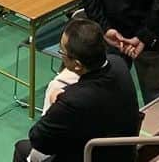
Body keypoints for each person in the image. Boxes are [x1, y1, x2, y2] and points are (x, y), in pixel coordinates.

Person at [12, 17, 141, 162]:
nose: (61, 56)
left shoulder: (72, 101)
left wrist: (56, 103)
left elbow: (38, 139)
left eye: (62, 52)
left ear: (78, 65)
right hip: (123, 154)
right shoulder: (119, 65)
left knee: (22, 148)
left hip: (91, 157)